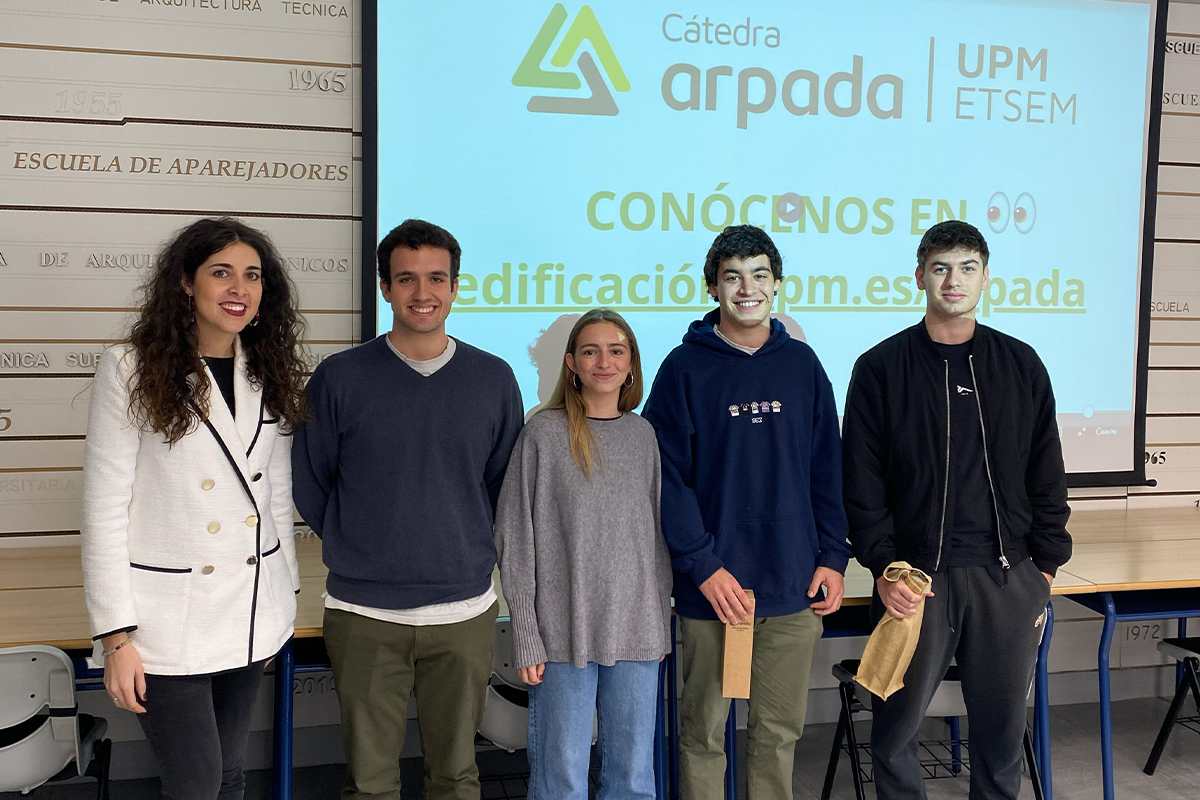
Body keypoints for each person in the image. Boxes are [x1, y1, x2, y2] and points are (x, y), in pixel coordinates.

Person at [291, 219, 523, 800]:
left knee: (456, 777)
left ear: (455, 287)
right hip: (364, 612)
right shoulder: (339, 378)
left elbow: (502, 486)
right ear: (385, 288)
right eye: (407, 279)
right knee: (369, 784)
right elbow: (312, 482)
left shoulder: (494, 379)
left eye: (437, 278)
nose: (423, 292)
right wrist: (364, 542)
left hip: (463, 611)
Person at [842, 220, 1071, 800]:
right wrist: (885, 567)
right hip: (915, 580)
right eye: (941, 267)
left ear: (985, 278)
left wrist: (1043, 569)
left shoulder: (1020, 364)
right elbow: (862, 484)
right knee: (894, 732)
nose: (953, 280)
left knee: (1001, 736)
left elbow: (1046, 468)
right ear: (920, 276)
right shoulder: (880, 368)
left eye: (967, 268)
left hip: (1007, 578)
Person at [81, 217, 308, 800]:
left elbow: (274, 494)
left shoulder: (268, 368)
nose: (239, 288)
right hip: (165, 622)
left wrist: (281, 599)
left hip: (251, 607)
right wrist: (115, 638)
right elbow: (104, 508)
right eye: (221, 272)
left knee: (230, 773)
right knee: (197, 784)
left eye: (252, 275)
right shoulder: (130, 368)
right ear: (186, 282)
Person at [642, 225, 852, 800]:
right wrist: (703, 566)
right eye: (732, 277)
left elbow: (827, 469)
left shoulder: (802, 365)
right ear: (713, 288)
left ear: (777, 284)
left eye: (759, 275)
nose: (747, 288)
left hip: (792, 583)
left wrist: (834, 556)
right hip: (714, 590)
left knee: (778, 733)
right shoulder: (683, 368)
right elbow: (666, 481)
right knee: (703, 734)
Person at [494, 308, 672, 800]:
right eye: (590, 351)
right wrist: (526, 632)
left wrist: (658, 619)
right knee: (561, 779)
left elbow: (654, 538)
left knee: (633, 779)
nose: (604, 362)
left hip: (636, 629)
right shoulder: (543, 434)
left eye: (616, 351)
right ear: (571, 362)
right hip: (561, 631)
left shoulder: (643, 435)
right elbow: (514, 536)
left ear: (631, 363)